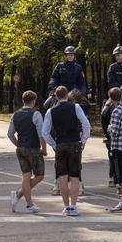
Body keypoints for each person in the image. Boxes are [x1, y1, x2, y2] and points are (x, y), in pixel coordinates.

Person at [42, 86, 90, 216]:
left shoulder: (51, 111)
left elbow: (44, 132)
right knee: (75, 177)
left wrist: (53, 143)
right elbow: (86, 124)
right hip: (74, 143)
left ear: (56, 96)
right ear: (67, 95)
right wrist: (83, 140)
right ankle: (74, 207)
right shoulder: (76, 107)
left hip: (61, 144)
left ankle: (66, 207)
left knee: (62, 177)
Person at [8, 90, 47, 213]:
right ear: (33, 101)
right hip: (33, 148)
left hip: (21, 149)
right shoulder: (36, 114)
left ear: (23, 100)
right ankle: (23, 198)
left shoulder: (15, 114)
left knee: (26, 175)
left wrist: (18, 144)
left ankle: (23, 199)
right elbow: (41, 134)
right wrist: (44, 149)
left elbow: (10, 134)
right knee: (39, 175)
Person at [42, 46, 86, 115]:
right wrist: (52, 85)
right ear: (66, 56)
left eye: (72, 55)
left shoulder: (79, 67)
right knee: (45, 105)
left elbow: (82, 82)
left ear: (74, 56)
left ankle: (83, 123)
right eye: (68, 55)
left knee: (85, 105)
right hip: (60, 91)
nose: (70, 57)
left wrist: (82, 92)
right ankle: (44, 123)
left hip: (74, 93)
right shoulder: (59, 66)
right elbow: (54, 78)